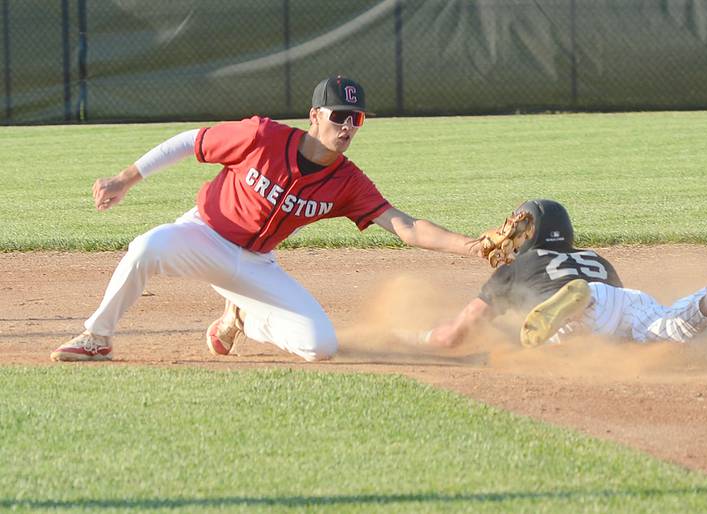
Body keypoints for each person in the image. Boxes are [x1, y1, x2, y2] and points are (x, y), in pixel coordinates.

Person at [51, 76, 483, 362]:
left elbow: (406, 227)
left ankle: (243, 317)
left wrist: (473, 245)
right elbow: (191, 141)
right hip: (204, 234)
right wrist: (126, 178)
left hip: (256, 263)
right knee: (147, 246)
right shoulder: (262, 136)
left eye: (358, 119)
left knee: (320, 346)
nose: (348, 126)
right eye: (340, 117)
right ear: (315, 116)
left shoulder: (348, 181)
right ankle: (98, 336)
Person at [412, 199, 707, 353]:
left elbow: (456, 335)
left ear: (530, 235)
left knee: (544, 342)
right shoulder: (595, 258)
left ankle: (572, 303)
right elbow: (616, 323)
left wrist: (419, 337)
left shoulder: (515, 268)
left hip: (579, 310)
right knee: (662, 326)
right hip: (621, 297)